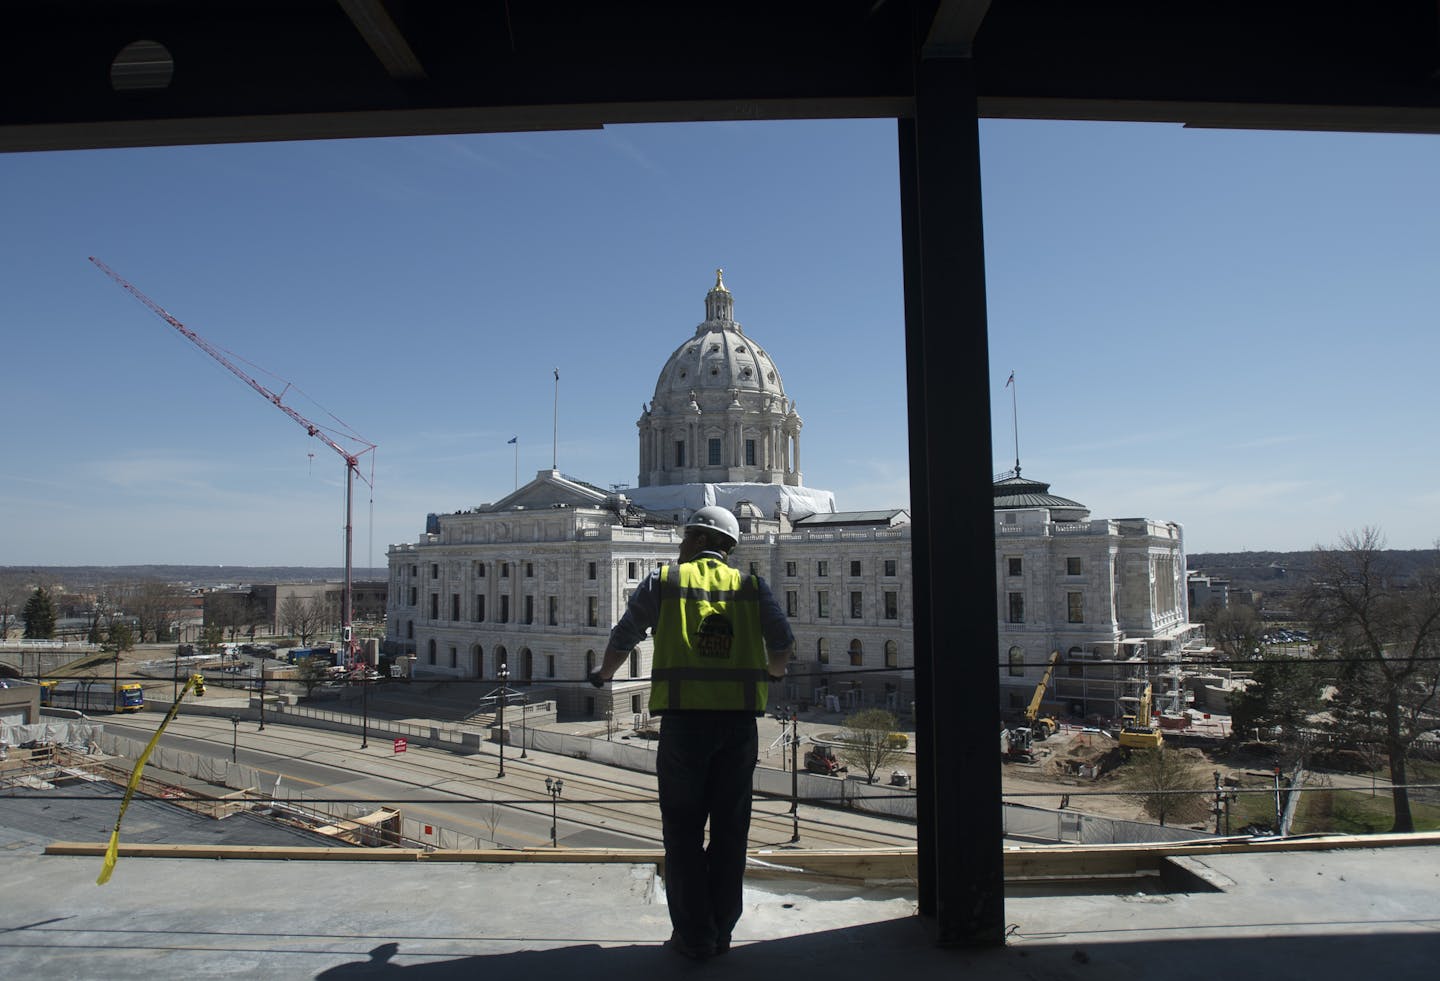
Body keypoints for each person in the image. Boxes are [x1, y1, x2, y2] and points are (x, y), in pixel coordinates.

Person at [590, 504, 794, 960]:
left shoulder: (664, 581)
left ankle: (693, 935)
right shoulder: (751, 586)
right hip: (739, 726)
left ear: (701, 540)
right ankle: (722, 931)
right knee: (730, 832)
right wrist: (773, 675)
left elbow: (625, 636)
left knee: (682, 833)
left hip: (684, 725)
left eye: (685, 538)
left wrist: (603, 675)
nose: (680, 545)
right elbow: (782, 642)